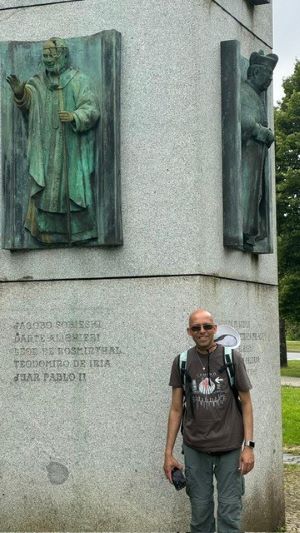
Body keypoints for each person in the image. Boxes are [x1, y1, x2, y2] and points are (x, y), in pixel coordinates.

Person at [164, 308, 254, 533]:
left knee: (229, 513)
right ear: (189, 331)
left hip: (230, 448)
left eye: (206, 326)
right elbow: (176, 409)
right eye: (196, 327)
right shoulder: (182, 362)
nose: (202, 331)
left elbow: (246, 403)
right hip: (195, 448)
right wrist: (168, 454)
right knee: (200, 515)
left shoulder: (232, 358)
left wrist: (248, 447)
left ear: (215, 329)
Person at [6, 37, 100, 245]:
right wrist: (21, 94)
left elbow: (92, 110)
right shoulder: (38, 82)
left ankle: (79, 232)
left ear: (64, 55)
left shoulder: (78, 80)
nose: (47, 59)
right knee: (46, 189)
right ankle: (43, 230)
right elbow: (28, 103)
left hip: (70, 147)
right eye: (45, 55)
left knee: (70, 190)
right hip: (46, 146)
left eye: (51, 55)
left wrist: (75, 116)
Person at [241, 50, 278, 251]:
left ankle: (252, 234)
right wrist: (264, 133)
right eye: (268, 74)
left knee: (257, 196)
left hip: (257, 157)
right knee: (248, 195)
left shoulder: (257, 96)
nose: (270, 79)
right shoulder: (244, 92)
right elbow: (245, 123)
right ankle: (246, 231)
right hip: (248, 157)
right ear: (255, 72)